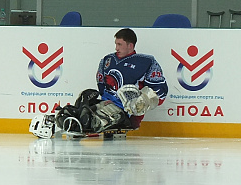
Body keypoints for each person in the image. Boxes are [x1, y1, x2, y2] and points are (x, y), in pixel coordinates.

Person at [31, 28, 167, 138]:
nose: (116, 47)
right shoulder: (108, 59)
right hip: (105, 105)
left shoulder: (146, 62)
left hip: (124, 111)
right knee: (82, 103)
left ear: (130, 45)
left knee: (89, 119)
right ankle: (59, 122)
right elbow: (101, 82)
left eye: (120, 44)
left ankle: (74, 124)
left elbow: (159, 92)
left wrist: (138, 106)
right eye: (116, 44)